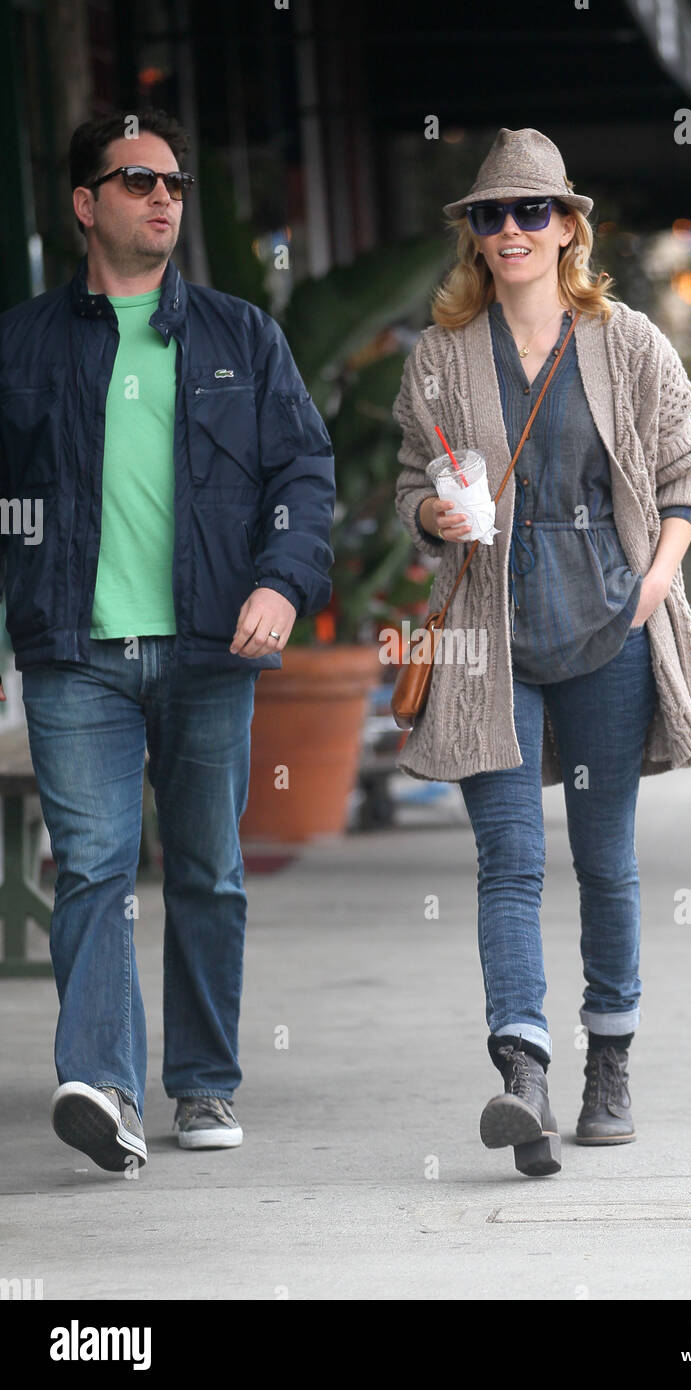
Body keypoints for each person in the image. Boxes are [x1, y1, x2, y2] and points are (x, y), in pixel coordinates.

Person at [0, 108, 335, 1172]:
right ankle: (103, 1085)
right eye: (138, 181)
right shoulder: (24, 344)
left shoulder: (241, 335)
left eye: (176, 185)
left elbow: (303, 476)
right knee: (92, 867)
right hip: (73, 654)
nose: (163, 199)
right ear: (83, 202)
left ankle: (200, 1084)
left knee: (206, 868)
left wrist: (283, 583)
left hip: (205, 649)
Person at [392, 127, 691, 1177]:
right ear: (473, 237)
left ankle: (609, 1060)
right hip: (487, 638)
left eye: (530, 211)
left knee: (603, 861)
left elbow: (686, 464)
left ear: (567, 226)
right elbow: (411, 482)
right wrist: (432, 518)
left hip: (604, 629)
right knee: (509, 858)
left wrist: (660, 573)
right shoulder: (441, 355)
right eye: (490, 215)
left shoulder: (623, 340)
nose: (509, 230)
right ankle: (522, 1072)